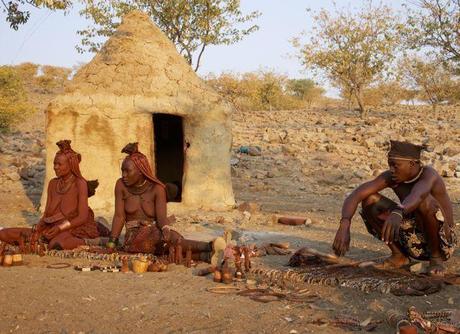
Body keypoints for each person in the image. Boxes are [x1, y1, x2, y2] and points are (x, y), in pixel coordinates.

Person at [332, 140, 457, 276]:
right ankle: (399, 256)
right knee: (369, 200)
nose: (391, 169)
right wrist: (345, 223)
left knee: (426, 202)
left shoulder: (429, 175)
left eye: (395, 165)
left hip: (442, 242)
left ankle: (435, 259)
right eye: (389, 165)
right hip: (413, 239)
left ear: (412, 164)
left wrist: (398, 211)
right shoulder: (392, 176)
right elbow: (356, 194)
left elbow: (418, 195)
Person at [107, 143, 226, 265]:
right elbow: (119, 216)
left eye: (128, 171)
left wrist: (165, 229)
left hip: (155, 232)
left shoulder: (157, 189)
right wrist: (112, 242)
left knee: (171, 241)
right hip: (133, 238)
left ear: (141, 172)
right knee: (167, 243)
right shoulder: (120, 186)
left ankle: (206, 255)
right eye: (122, 171)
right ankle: (209, 247)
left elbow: (161, 218)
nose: (124, 175)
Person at [0, 140, 106, 250]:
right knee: (4, 234)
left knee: (56, 244)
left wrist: (60, 228)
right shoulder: (53, 183)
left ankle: (94, 241)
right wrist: (39, 227)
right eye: (54, 164)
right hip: (51, 227)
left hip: (71, 227)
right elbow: (47, 213)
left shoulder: (80, 183)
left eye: (59, 164)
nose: (55, 167)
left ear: (71, 165)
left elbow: (82, 217)